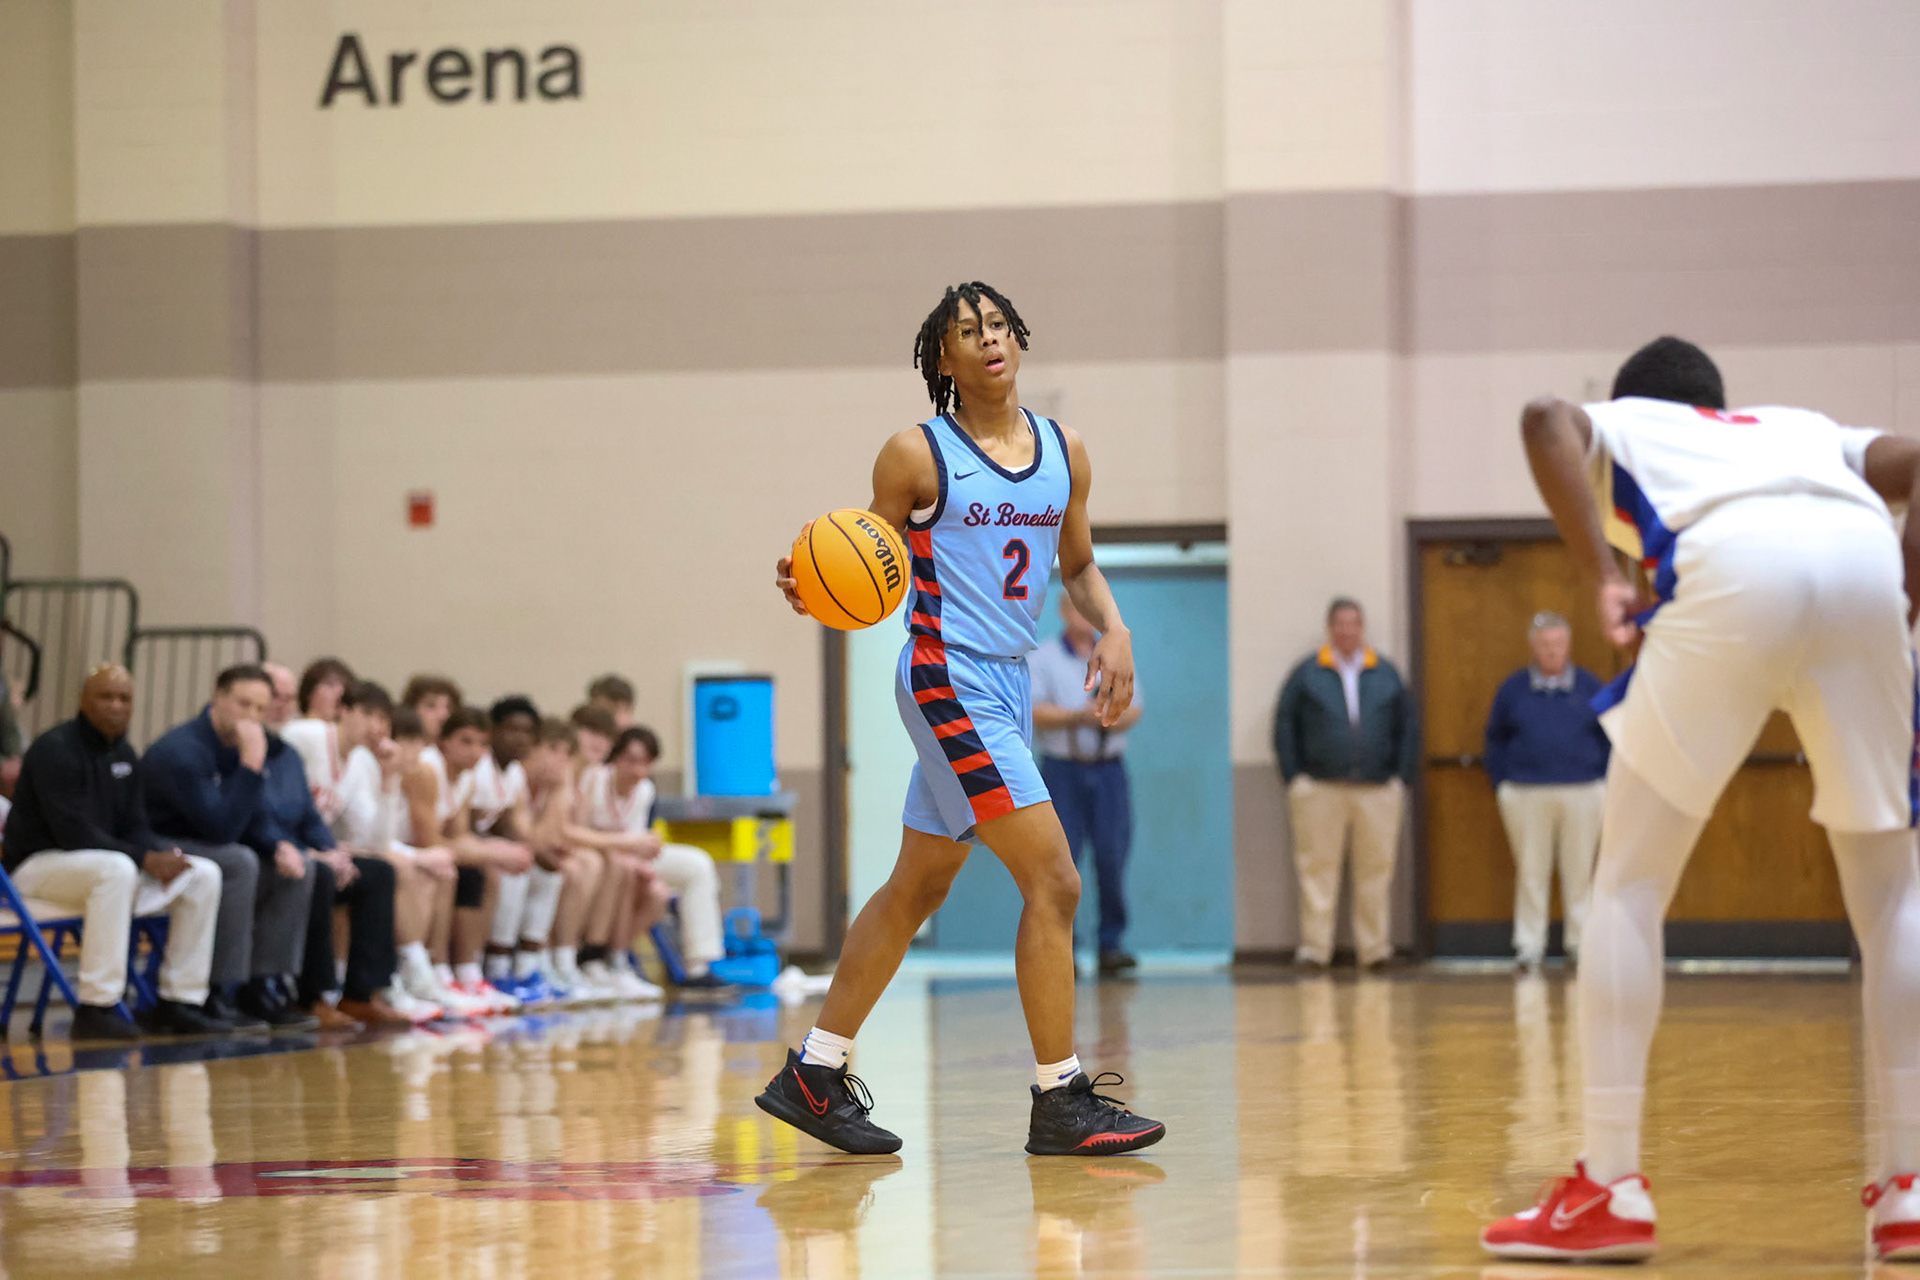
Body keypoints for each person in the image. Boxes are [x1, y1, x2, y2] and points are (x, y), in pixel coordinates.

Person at [1480, 336, 1920, 1262]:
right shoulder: (1800, 430)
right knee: (1892, 898)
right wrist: (1908, 599)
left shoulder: (1636, 424)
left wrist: (1600, 571)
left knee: (1629, 883)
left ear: (1645, 404)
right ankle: (1908, 1188)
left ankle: (1608, 1183)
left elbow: (1541, 419)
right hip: (1864, 567)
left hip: (1730, 565)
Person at [760, 281, 1165, 1157]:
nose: (987, 339)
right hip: (947, 679)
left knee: (919, 886)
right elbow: (867, 557)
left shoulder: (1065, 451)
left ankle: (813, 1076)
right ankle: (1060, 1099)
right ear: (941, 360)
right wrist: (812, 578)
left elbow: (1081, 564)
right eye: (965, 332)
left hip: (1007, 684)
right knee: (1055, 880)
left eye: (997, 325)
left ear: (1018, 339)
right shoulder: (916, 453)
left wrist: (1117, 627)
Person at [1, 665, 228, 1038]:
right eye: (105, 697)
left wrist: (161, 853)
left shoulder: (125, 753)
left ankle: (180, 1001)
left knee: (201, 873)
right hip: (35, 869)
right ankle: (96, 1006)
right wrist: (143, 859)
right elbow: (72, 832)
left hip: (101, 866)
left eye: (124, 698)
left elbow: (135, 825)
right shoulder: (53, 749)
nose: (115, 706)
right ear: (83, 701)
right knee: (118, 869)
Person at [143, 664, 316, 1030]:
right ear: (217, 698)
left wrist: (280, 845)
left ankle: (261, 985)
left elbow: (251, 815)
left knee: (296, 863)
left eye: (260, 709)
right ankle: (218, 990)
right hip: (160, 844)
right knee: (239, 863)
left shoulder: (236, 744)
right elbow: (220, 827)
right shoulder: (183, 750)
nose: (252, 718)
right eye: (243, 705)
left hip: (207, 841)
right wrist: (252, 765)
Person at [1271, 598, 1417, 970]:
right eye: (1341, 623)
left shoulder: (1385, 672)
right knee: (1317, 871)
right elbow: (1284, 723)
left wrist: (1400, 777)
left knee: (1376, 873)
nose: (1347, 630)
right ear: (1330, 628)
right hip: (1320, 789)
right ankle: (1315, 950)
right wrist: (1295, 776)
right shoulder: (1307, 673)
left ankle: (1375, 950)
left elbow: (1408, 727)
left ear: (1362, 627)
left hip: (1377, 789)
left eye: (1354, 623)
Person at [1484, 612, 1610, 971]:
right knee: (1531, 871)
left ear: (1568, 646)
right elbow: (1495, 738)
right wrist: (1503, 783)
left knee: (1580, 872)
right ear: (1533, 648)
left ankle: (1580, 945)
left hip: (1583, 790)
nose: (1552, 651)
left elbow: (1609, 737)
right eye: (1545, 644)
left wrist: (1601, 780)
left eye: (1558, 644)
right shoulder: (1513, 690)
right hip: (1525, 792)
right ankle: (1529, 946)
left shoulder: (1590, 686)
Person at [1031, 594, 1143, 976]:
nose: (1083, 616)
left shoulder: (1114, 655)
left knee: (1113, 856)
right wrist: (1077, 717)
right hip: (1062, 772)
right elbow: (1033, 711)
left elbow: (1135, 706)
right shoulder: (1043, 656)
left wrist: (1108, 715)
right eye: (1076, 609)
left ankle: (1111, 946)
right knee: (1062, 863)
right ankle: (1064, 949)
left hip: (1109, 769)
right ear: (1063, 613)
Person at [578, 725, 714, 991]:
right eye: (632, 760)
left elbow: (636, 840)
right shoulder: (593, 779)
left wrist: (645, 851)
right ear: (616, 757)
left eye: (645, 763)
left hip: (625, 858)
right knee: (626, 869)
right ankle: (597, 957)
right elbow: (581, 833)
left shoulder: (644, 791)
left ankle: (696, 965)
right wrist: (629, 846)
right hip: (597, 857)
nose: (638, 770)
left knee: (664, 888)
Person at [432, 706, 530, 1010]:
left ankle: (468, 970)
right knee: (446, 871)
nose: (475, 751)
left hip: (434, 852)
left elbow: (459, 836)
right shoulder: (428, 769)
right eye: (466, 741)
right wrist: (492, 851)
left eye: (480, 744)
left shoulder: (466, 779)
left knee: (483, 871)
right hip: (405, 849)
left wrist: (491, 852)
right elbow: (426, 839)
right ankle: (435, 972)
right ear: (444, 741)